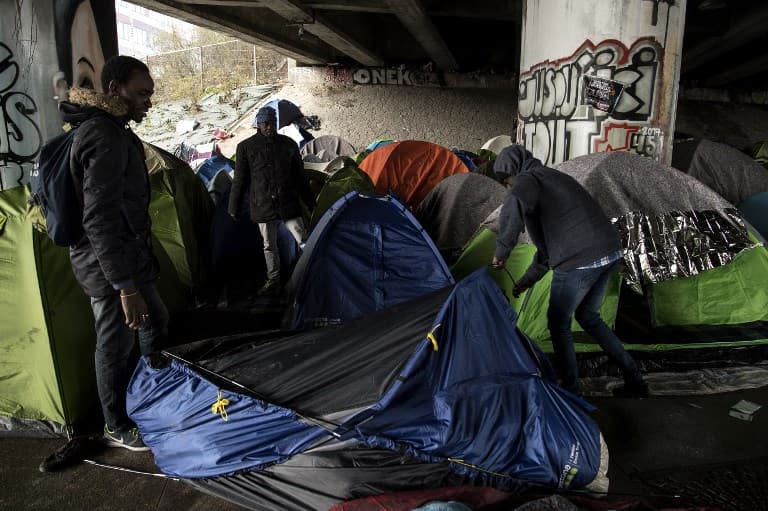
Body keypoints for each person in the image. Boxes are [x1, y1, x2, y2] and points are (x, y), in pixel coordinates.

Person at [60, 55, 168, 450]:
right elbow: (99, 219)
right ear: (114, 89)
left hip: (129, 258)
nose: (148, 103)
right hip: (108, 267)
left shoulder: (117, 131)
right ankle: (116, 423)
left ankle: (153, 392)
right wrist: (124, 286)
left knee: (156, 320)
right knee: (115, 343)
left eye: (150, 95)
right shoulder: (102, 136)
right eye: (141, 94)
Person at [490, 145, 648, 398]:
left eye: (507, 181)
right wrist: (526, 281)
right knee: (588, 316)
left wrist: (502, 250)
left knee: (558, 323)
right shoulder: (554, 177)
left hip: (580, 259)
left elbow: (515, 200)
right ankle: (635, 380)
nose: (509, 188)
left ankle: (571, 392)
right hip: (608, 251)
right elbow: (547, 250)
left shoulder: (528, 181)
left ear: (512, 172)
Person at [228, 106, 316, 294]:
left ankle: (309, 273)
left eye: (272, 123)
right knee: (269, 245)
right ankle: (274, 279)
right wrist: (233, 206)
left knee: (303, 239)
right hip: (263, 203)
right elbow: (240, 179)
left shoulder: (288, 144)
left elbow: (300, 177)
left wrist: (311, 202)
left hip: (287, 202)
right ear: (258, 124)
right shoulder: (245, 147)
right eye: (265, 123)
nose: (269, 127)